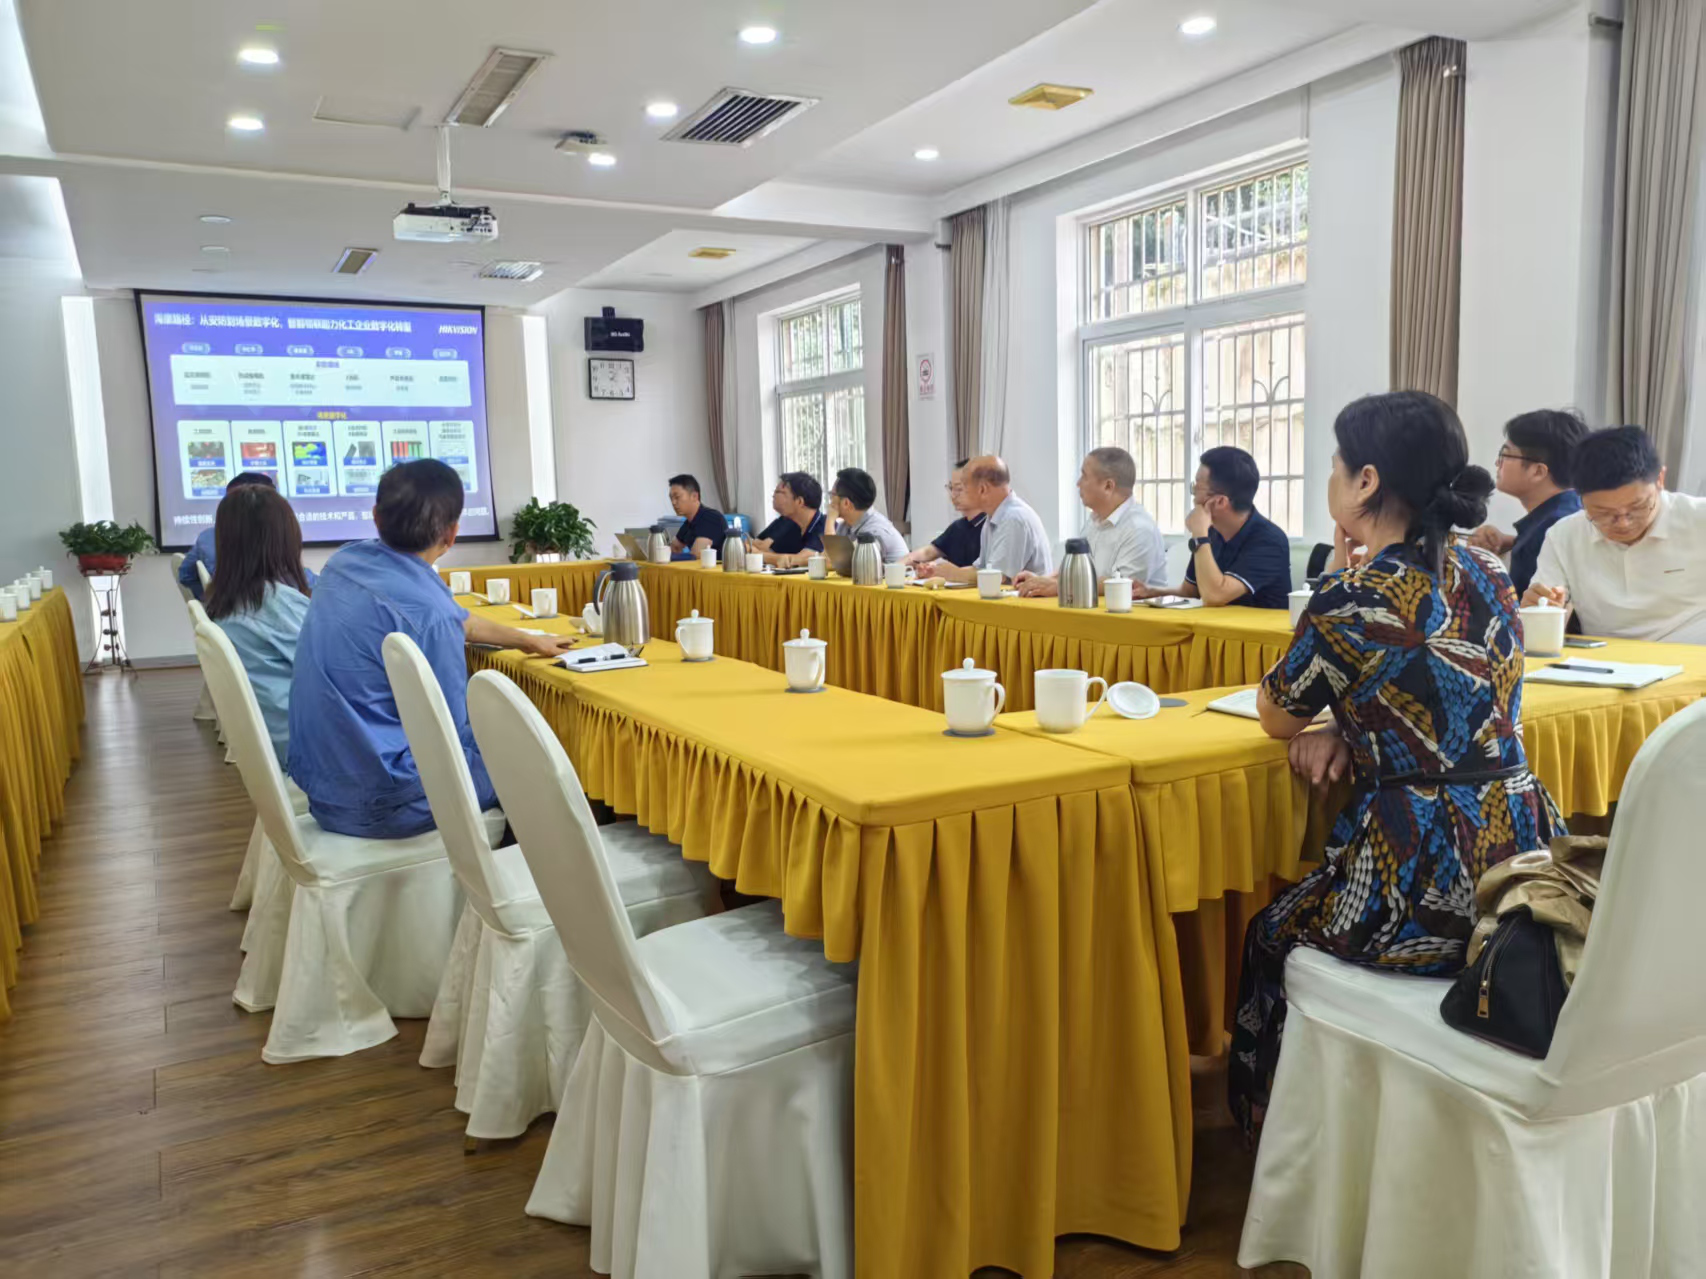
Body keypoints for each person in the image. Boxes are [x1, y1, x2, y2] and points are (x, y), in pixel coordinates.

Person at [1229, 391, 1563, 1142]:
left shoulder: (1350, 597)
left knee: (1268, 934)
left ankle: (1290, 1137)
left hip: (1423, 878)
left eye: (1336, 466)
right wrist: (1349, 720)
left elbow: (1276, 714)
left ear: (1367, 481)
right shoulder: (1489, 570)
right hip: (1521, 861)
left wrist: (1332, 711)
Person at [287, 460, 576, 839]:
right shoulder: (431, 614)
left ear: (375, 517)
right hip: (387, 803)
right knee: (541, 758)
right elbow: (448, 738)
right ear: (452, 533)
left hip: (324, 787)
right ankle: (515, 867)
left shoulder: (344, 563)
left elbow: (454, 619)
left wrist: (527, 639)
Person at [1524, 425, 1706, 643]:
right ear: (1580, 498)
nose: (1623, 523)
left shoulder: (1699, 518)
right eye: (1603, 514)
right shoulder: (1564, 535)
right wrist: (1539, 612)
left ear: (1660, 479)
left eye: (1637, 507)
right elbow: (1540, 629)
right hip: (1606, 659)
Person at [202, 485, 313, 767]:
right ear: (286, 537)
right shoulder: (277, 604)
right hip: (313, 749)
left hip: (281, 742)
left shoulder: (227, 600)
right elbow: (339, 673)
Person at [1138, 446, 1292, 608]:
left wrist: (1199, 535)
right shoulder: (1212, 532)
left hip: (1258, 624)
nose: (1193, 497)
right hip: (1217, 622)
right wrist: (1151, 592)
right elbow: (1191, 591)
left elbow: (1214, 596)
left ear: (1220, 502)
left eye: (1196, 488)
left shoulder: (1269, 540)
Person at [1015, 446, 1167, 596]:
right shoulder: (1095, 521)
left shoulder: (1139, 529)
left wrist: (1059, 586)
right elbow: (1077, 573)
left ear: (1108, 486)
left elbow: (1121, 584)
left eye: (1084, 476)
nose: (1078, 483)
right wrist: (1041, 581)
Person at [1468, 409, 1588, 594]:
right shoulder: (1567, 514)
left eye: (1505, 455)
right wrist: (1510, 542)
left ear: (1538, 471)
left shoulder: (1552, 529)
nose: (1498, 463)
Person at [915, 455, 1051, 584]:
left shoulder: (1014, 518)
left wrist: (952, 573)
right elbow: (980, 569)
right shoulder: (992, 518)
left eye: (963, 488)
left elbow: (997, 577)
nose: (956, 495)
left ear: (982, 489)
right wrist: (936, 571)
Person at [179, 471, 279, 601]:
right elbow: (296, 584)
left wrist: (212, 600)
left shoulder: (207, 537)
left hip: (223, 607)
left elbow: (185, 575)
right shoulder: (275, 539)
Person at [904, 460, 986, 570]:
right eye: (951, 488)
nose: (953, 495)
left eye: (959, 489)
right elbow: (928, 552)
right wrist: (897, 566)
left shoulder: (990, 525)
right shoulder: (958, 527)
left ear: (980, 489)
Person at [827, 467, 908, 562]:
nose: (830, 500)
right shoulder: (845, 526)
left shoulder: (874, 530)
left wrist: (830, 520)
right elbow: (827, 560)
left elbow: (836, 561)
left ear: (846, 503)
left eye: (832, 495)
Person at [751, 471, 826, 567]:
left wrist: (757, 554)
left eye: (781, 492)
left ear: (799, 501)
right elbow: (770, 551)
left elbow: (803, 559)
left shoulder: (823, 525)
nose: (773, 495)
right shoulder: (792, 523)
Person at [667, 474, 727, 557]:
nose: (673, 502)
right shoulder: (688, 523)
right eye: (671, 498)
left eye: (677, 497)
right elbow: (675, 547)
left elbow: (696, 555)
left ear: (694, 496)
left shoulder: (711, 518)